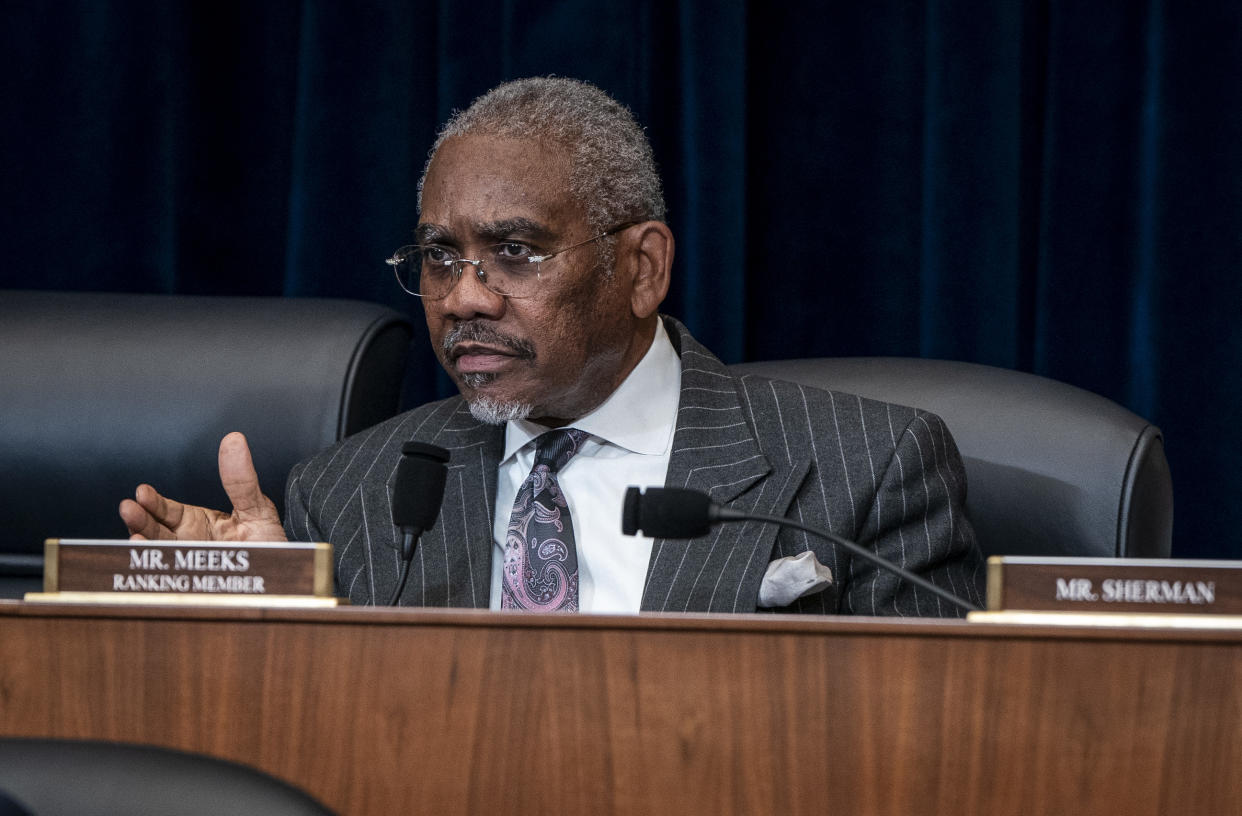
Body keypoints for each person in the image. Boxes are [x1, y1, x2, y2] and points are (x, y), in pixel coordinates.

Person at [121, 77, 984, 616]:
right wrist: (263, 615)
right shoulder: (349, 497)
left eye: (516, 253)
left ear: (641, 266)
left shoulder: (866, 470)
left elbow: (922, 755)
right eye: (438, 257)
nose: (462, 296)